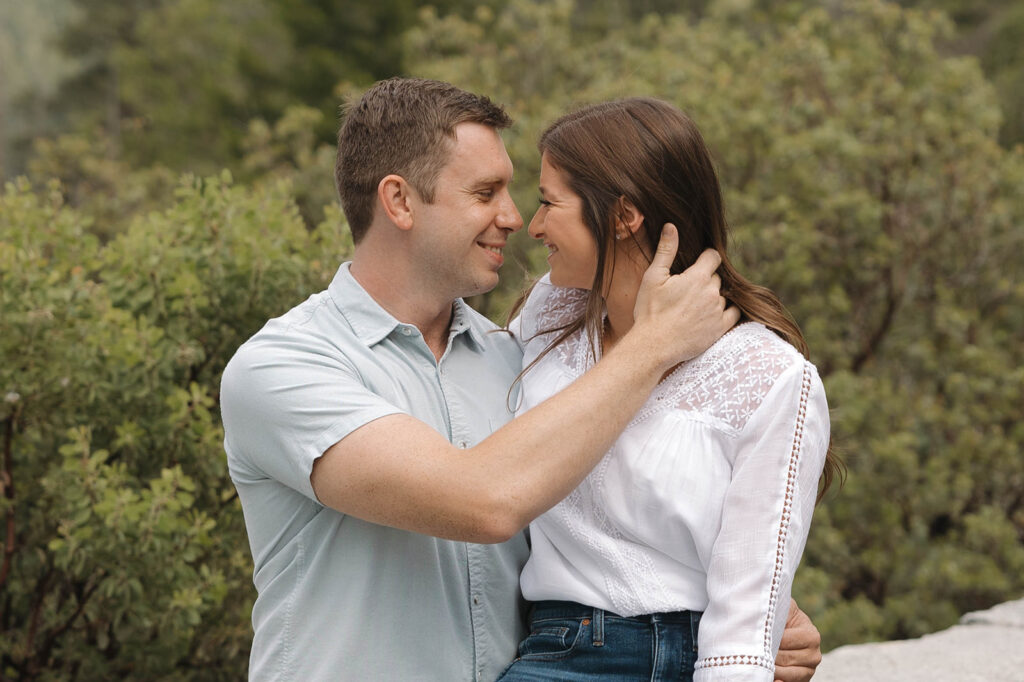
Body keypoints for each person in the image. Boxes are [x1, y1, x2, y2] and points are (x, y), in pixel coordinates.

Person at [219, 78, 822, 681]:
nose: (514, 219)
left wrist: (736, 620)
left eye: (520, 194)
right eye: (485, 193)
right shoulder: (282, 369)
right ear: (399, 202)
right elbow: (483, 501)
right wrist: (654, 345)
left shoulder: (524, 362)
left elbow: (600, 523)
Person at [498, 98, 841, 681]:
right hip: (550, 644)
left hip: (681, 655)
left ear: (623, 215)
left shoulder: (770, 376)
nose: (532, 226)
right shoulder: (546, 317)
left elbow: (746, 602)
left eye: (548, 203)